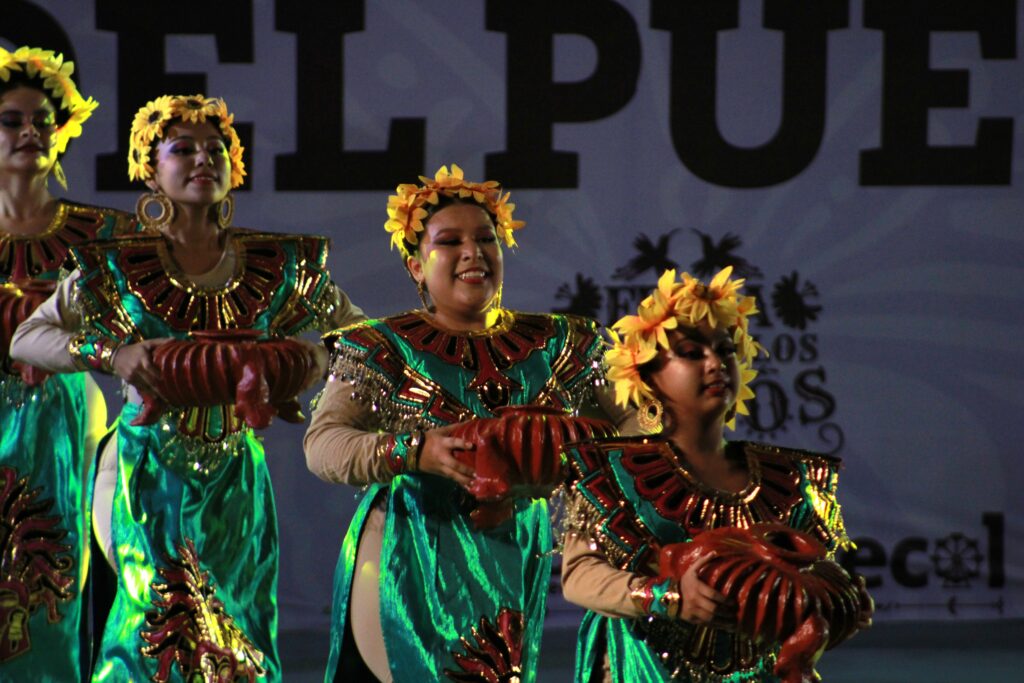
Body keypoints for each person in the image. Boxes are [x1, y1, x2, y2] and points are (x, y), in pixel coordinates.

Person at [12, 93, 364, 682]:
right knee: (153, 624)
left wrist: (317, 354)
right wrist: (111, 353)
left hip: (236, 476)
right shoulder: (116, 268)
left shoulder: (277, 265)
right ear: (150, 168)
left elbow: (363, 338)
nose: (204, 159)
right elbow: (28, 335)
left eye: (216, 148)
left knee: (239, 623)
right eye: (183, 149)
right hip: (143, 472)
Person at [304, 164, 633, 682]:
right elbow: (324, 445)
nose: (473, 252)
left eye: (486, 238)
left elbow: (643, 425)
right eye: (449, 241)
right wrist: (415, 452)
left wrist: (582, 455)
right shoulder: (379, 347)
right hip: (409, 545)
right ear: (415, 266)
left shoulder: (562, 344)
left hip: (513, 547)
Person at [560, 267, 873, 682]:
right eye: (692, 353)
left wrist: (836, 599)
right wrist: (668, 596)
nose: (716, 363)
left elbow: (802, 586)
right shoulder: (614, 473)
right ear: (646, 378)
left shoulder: (791, 480)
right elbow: (579, 576)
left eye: (725, 350)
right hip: (644, 669)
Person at [0, 45, 131, 682]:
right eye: (11, 120)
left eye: (41, 120)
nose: (29, 131)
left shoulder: (104, 237)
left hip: (65, 429)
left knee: (55, 586)